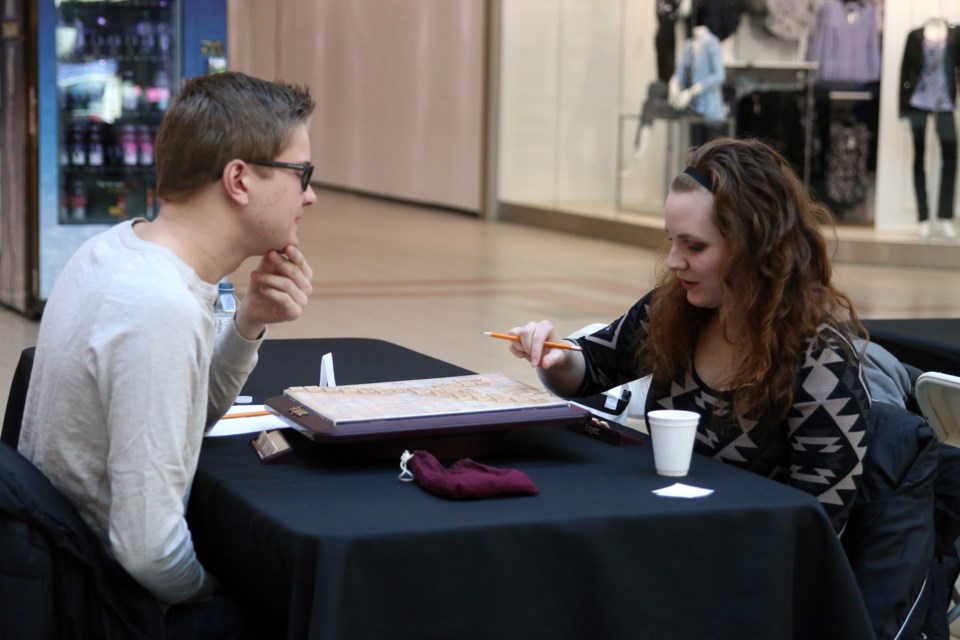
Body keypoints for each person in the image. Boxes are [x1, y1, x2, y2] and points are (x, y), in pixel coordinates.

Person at [18, 71, 316, 636]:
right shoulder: (159, 306)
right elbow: (147, 551)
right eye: (301, 173)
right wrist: (211, 589)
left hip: (55, 565)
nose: (310, 194)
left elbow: (185, 416)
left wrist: (249, 322)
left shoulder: (112, 249)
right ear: (239, 179)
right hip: (101, 601)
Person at [506, 137, 871, 534]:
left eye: (695, 246)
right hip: (672, 539)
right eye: (672, 240)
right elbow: (590, 369)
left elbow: (818, 532)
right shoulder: (674, 309)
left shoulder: (821, 362)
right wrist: (555, 356)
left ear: (756, 247)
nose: (675, 261)